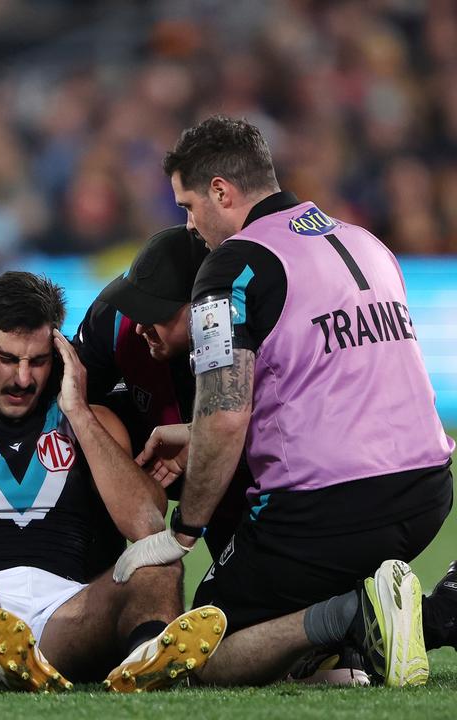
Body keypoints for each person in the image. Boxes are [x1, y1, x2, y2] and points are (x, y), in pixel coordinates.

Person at [113, 115, 455, 687]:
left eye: (188, 206)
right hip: (428, 491)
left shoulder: (232, 267)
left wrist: (185, 530)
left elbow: (223, 413)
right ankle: (419, 612)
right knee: (297, 644)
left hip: (329, 509)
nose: (190, 225)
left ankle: (366, 615)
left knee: (204, 651)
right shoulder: (364, 242)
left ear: (221, 190)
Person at [0, 270, 226, 693]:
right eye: (7, 359)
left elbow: (147, 524)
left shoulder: (94, 422)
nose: (24, 378)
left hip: (65, 616)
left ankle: (149, 658)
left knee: (157, 564)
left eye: (37, 361)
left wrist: (78, 411)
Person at [74, 226, 248, 562]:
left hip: (251, 474)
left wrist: (201, 438)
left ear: (205, 307)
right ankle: (89, 583)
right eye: (137, 307)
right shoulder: (114, 322)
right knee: (82, 423)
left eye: (156, 312)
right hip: (154, 453)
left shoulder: (251, 331)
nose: (141, 326)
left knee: (232, 602)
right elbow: (62, 399)